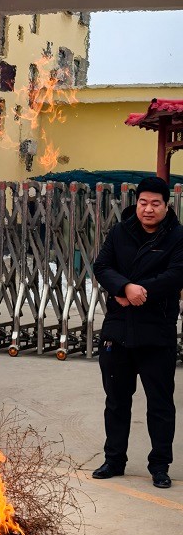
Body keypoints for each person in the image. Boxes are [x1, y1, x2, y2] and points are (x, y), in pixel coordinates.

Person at [92, 176, 183, 489]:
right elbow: (101, 265)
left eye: (155, 203)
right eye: (143, 202)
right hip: (118, 331)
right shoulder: (120, 231)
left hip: (156, 333)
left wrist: (138, 291)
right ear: (137, 203)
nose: (148, 209)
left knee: (160, 404)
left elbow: (175, 275)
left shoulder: (177, 236)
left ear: (166, 205)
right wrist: (123, 287)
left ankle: (159, 466)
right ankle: (114, 460)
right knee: (116, 401)